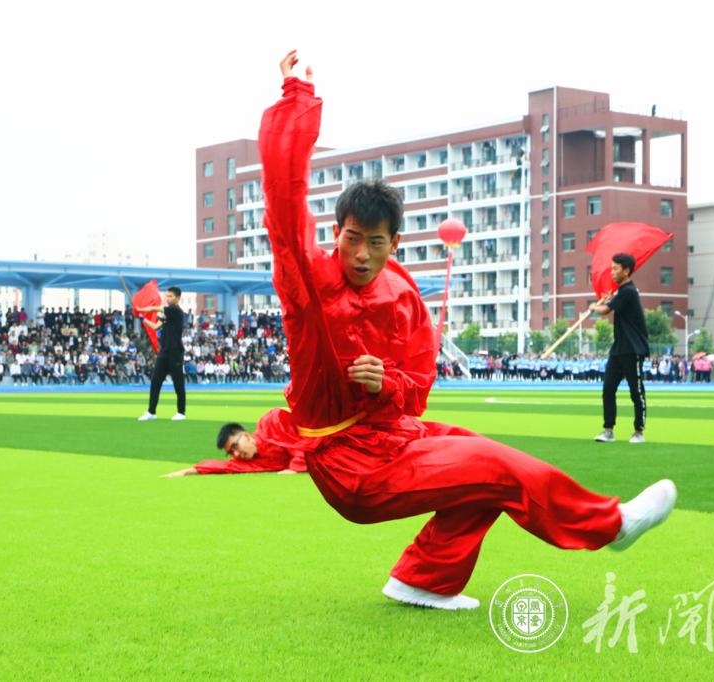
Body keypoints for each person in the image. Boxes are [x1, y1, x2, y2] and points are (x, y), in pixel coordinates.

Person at [256, 50, 676, 611]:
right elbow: (284, 207)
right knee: (494, 468)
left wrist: (386, 383)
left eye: (374, 243)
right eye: (351, 239)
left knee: (484, 458)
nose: (359, 255)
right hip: (346, 463)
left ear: (394, 244)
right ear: (337, 233)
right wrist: (297, 98)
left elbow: (416, 392)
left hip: (394, 438)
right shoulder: (308, 287)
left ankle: (424, 579)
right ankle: (609, 526)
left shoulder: (403, 295)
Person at [588, 254, 650, 444]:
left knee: (636, 392)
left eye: (615, 269)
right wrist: (610, 300)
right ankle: (608, 430)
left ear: (626, 271)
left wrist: (593, 307)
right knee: (608, 389)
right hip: (618, 350)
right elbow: (613, 304)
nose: (612, 272)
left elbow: (606, 310)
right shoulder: (622, 292)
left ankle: (638, 431)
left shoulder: (629, 291)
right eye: (612, 268)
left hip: (633, 349)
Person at [162, 408, 308, 476]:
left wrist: (294, 468)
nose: (236, 454)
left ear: (246, 436)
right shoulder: (249, 461)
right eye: (231, 452)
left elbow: (301, 444)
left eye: (235, 446)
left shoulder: (271, 421)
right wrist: (189, 471)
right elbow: (225, 466)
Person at [136, 286, 187, 421]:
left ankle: (181, 412)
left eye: (170, 296)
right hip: (164, 351)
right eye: (167, 296)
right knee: (155, 381)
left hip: (175, 352)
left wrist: (140, 309)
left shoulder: (176, 311)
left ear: (177, 298)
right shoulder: (167, 313)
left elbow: (154, 308)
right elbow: (155, 326)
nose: (167, 298)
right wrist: (142, 318)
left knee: (178, 383)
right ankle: (151, 412)